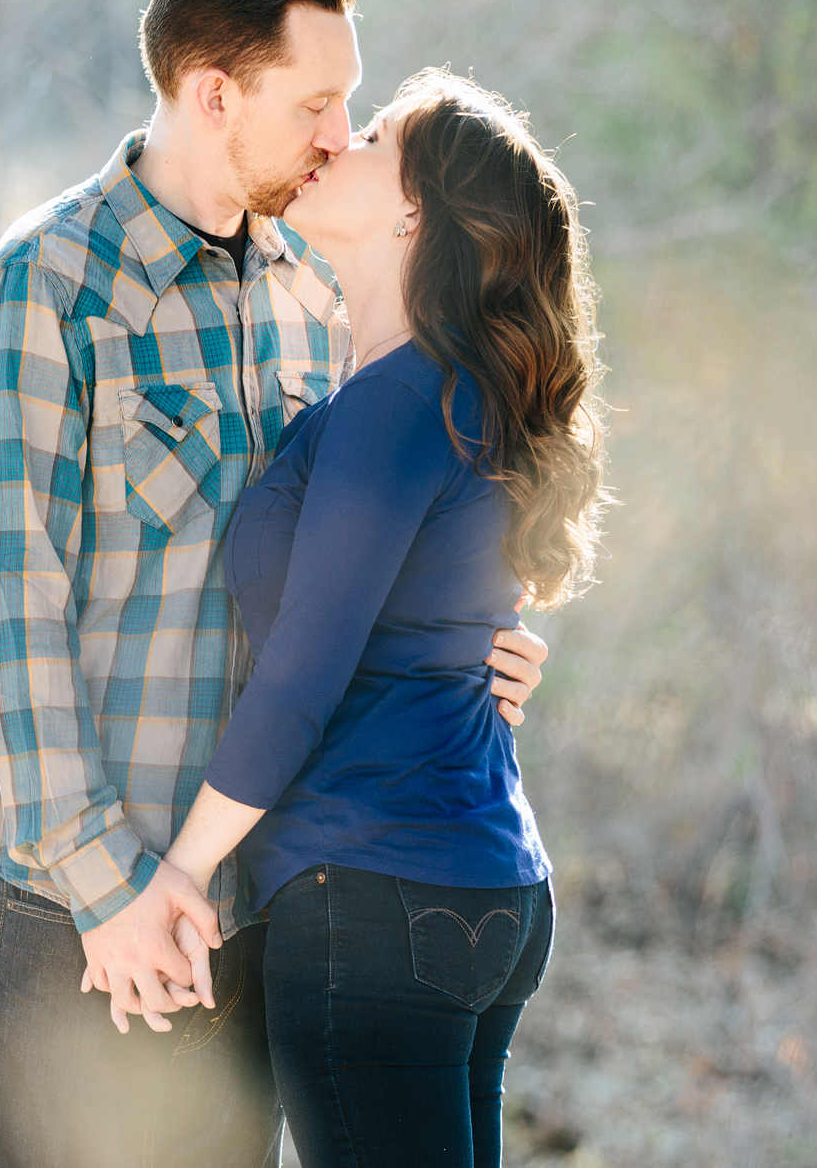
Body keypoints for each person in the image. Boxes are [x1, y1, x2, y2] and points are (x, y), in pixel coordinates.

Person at [0, 0, 551, 1167]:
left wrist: (470, 643)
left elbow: (365, 555)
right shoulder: (48, 287)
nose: (335, 131)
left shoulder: (319, 286)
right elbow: (9, 609)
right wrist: (108, 888)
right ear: (213, 95)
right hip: (60, 899)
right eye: (316, 102)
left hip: (241, 907)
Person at [153, 69, 608, 1168]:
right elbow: (441, 617)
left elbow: (304, 673)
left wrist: (176, 872)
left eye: (367, 136)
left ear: (412, 210)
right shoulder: (443, 390)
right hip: (480, 886)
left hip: (378, 893)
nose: (331, 144)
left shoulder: (400, 397)